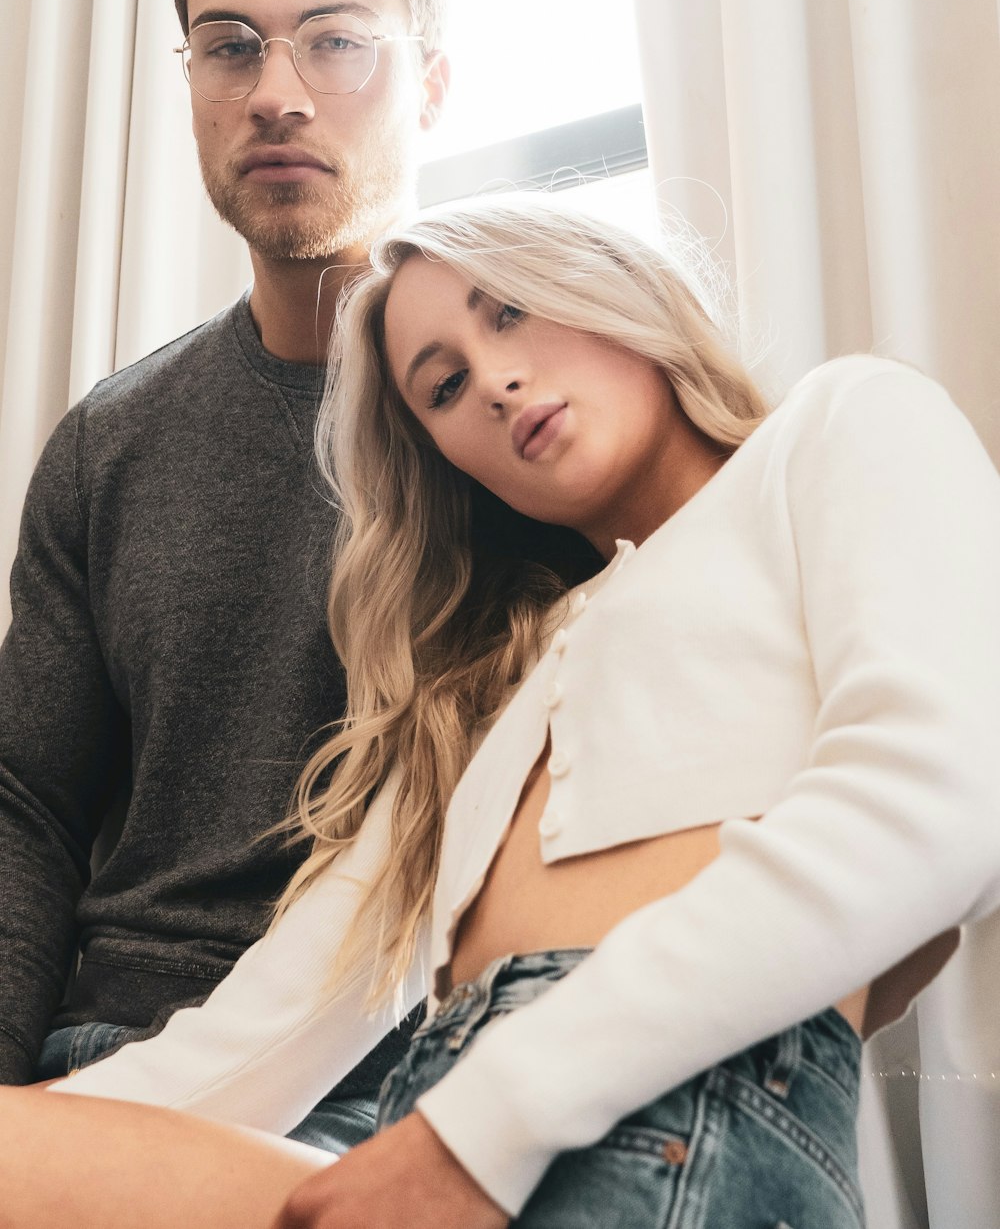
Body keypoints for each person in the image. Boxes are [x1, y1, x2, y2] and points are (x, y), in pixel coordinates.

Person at [3, 195, 1000, 1229]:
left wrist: (486, 1122)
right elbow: (264, 1032)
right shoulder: (485, 691)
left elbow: (941, 795)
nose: (490, 379)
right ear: (448, 463)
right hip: (425, 1123)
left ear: (605, 279)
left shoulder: (837, 426)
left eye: (511, 311)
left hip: (661, 1116)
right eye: (441, 386)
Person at [0, 0, 455, 1151]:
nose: (276, 92)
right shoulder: (111, 439)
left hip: (403, 1077)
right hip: (111, 1057)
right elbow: (26, 802)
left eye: (337, 38)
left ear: (431, 82)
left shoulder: (529, 419)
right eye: (231, 43)